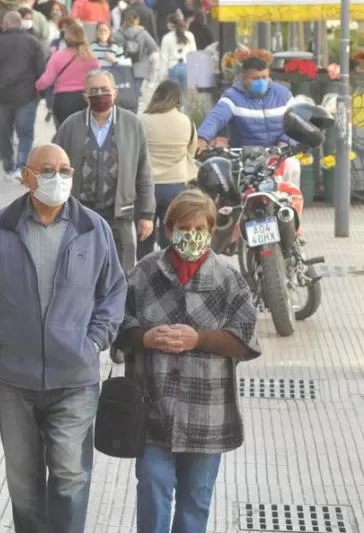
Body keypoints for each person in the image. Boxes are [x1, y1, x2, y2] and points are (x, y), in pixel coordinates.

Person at [0, 143, 127, 533]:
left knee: (70, 476)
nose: (58, 177)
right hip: (14, 379)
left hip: (76, 377)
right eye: (48, 170)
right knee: (23, 484)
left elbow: (114, 292)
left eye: (65, 170)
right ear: (27, 177)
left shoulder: (93, 229)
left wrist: (96, 338)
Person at [114, 189, 261, 533]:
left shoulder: (229, 280)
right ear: (169, 229)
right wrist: (145, 338)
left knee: (196, 501)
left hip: (207, 415)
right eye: (185, 228)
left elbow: (244, 340)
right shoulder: (144, 273)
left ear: (211, 232)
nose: (192, 236)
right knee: (153, 485)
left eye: (201, 229)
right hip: (153, 410)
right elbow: (118, 325)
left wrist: (200, 338)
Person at [53, 69, 155, 273]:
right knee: (78, 271)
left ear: (115, 93)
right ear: (85, 95)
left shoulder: (132, 124)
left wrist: (146, 214)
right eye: (94, 90)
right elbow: (53, 162)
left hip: (119, 215)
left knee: (119, 273)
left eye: (104, 89)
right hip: (80, 213)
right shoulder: (71, 125)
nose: (100, 94)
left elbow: (144, 172)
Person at [196, 56, 299, 186]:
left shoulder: (283, 95)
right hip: (246, 159)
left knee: (293, 165)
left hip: (279, 156)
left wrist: (285, 141)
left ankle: (292, 206)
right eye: (255, 78)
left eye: (264, 77)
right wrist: (202, 138)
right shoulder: (233, 97)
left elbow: (298, 120)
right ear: (244, 78)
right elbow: (215, 117)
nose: (261, 82)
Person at [137, 80, 197, 259]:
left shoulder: (142, 121)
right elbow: (191, 152)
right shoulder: (186, 121)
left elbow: (135, 151)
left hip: (146, 188)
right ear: (179, 99)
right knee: (171, 238)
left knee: (143, 238)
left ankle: (144, 276)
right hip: (175, 186)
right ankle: (169, 277)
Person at [0, 11, 46, 181]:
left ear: (6, 24)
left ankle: (8, 166)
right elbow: (41, 68)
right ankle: (21, 166)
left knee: (5, 131)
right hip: (27, 94)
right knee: (25, 133)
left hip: (3, 96)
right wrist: (40, 92)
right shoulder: (33, 42)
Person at [36, 24, 100, 127]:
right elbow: (98, 78)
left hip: (63, 99)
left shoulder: (58, 56)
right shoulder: (91, 57)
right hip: (85, 99)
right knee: (83, 133)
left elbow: (46, 80)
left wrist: (35, 86)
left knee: (63, 134)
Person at [115, 12, 159, 104]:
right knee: (136, 89)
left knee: (124, 90)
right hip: (140, 66)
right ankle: (133, 109)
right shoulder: (143, 33)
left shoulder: (118, 33)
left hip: (123, 66)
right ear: (137, 20)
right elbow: (153, 47)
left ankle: (126, 107)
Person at [158, 13, 196, 91]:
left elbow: (164, 58)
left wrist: (162, 75)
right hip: (187, 67)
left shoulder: (166, 38)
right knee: (185, 95)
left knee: (175, 96)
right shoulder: (189, 35)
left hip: (173, 68)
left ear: (170, 24)